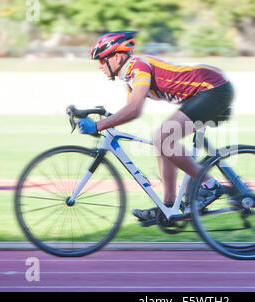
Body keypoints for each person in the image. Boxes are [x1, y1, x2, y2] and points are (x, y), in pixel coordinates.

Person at [78, 30, 234, 222]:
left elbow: (135, 110)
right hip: (207, 89)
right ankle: (168, 206)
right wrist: (102, 117)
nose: (100, 66)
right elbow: (128, 110)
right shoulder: (130, 76)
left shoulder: (138, 67)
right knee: (162, 143)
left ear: (117, 57)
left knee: (163, 138)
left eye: (102, 61)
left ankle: (210, 186)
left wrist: (98, 126)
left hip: (212, 88)